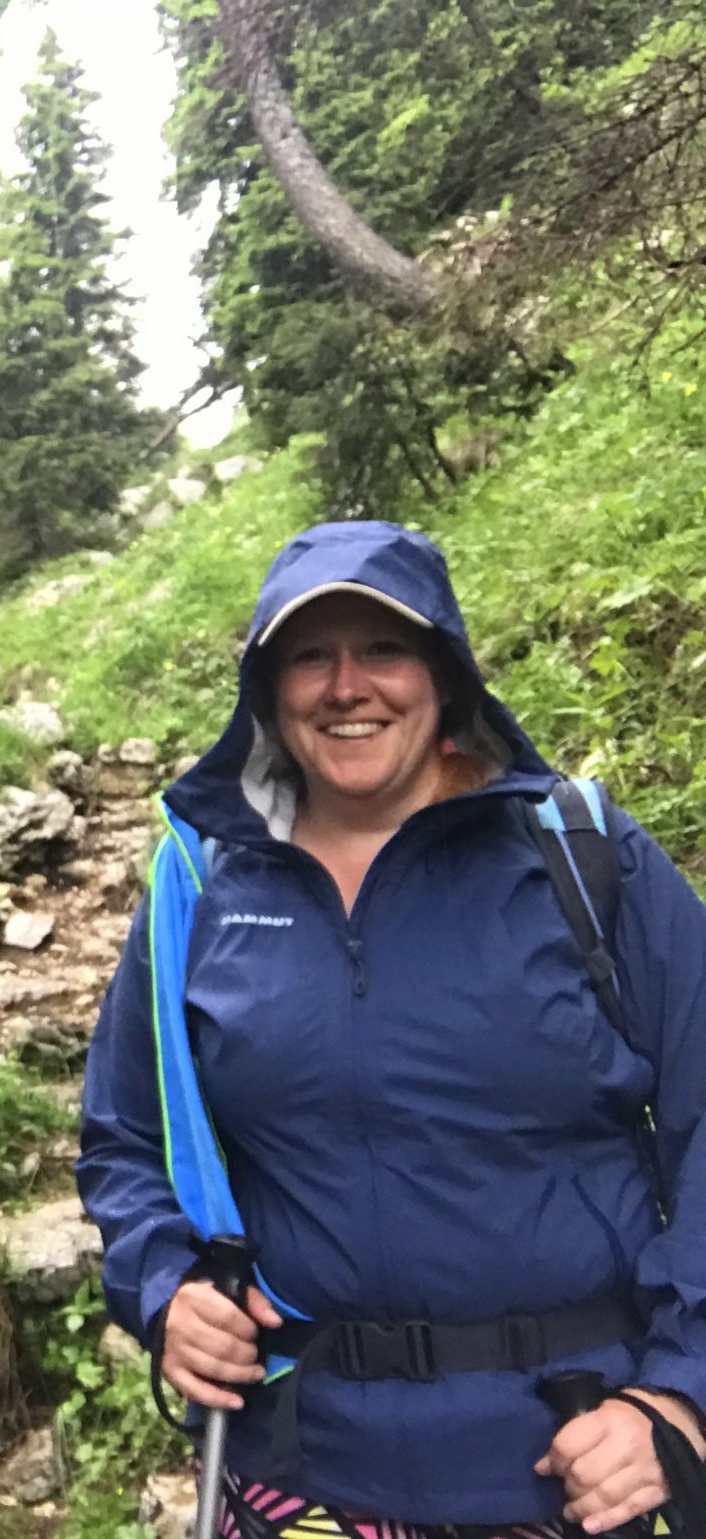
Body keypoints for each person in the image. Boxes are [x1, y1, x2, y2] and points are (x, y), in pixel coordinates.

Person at [78, 521, 706, 1538]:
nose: (345, 686)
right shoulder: (198, 890)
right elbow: (124, 1138)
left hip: (578, 1463)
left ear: (443, 675)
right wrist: (162, 1285)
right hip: (302, 1473)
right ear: (266, 691)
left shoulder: (581, 856)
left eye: (382, 649)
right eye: (307, 656)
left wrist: (677, 1395)